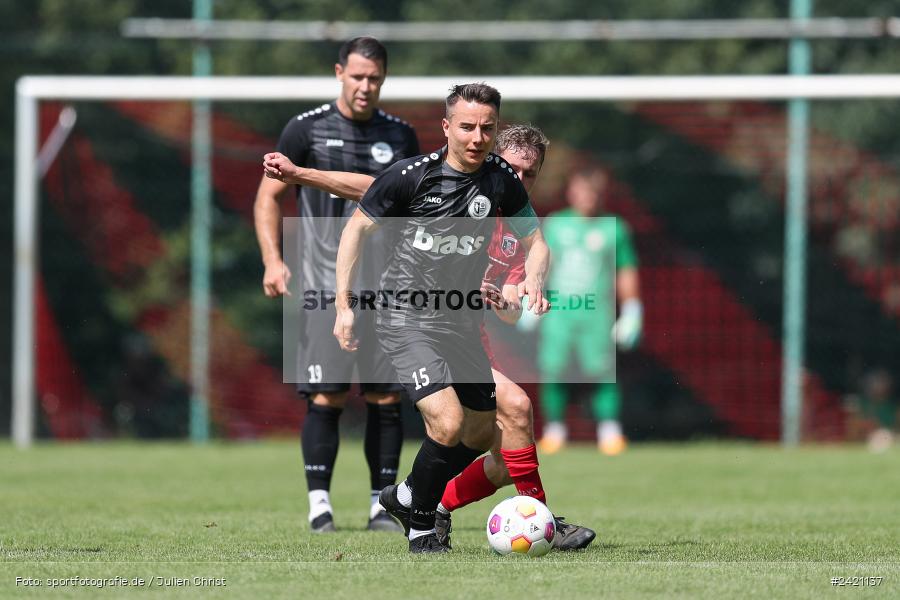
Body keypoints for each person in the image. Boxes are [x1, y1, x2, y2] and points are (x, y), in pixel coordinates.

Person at [263, 125, 596, 551]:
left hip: (467, 345)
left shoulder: (517, 231)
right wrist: (301, 174)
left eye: (529, 174)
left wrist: (515, 294)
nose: (518, 179)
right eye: (512, 167)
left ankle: (422, 502)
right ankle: (538, 520)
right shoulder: (455, 193)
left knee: (502, 453)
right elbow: (373, 188)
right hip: (415, 329)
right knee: (514, 408)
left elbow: (512, 312)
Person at [334, 83, 550, 553]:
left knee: (476, 431)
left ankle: (407, 494)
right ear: (447, 127)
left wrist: (534, 279)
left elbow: (535, 241)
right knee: (447, 423)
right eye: (468, 127)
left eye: (487, 128)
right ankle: (422, 527)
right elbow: (355, 230)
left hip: (459, 324)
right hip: (405, 319)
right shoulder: (412, 176)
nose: (477, 137)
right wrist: (343, 305)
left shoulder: (500, 181)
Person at [253, 37, 420, 534]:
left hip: (386, 288)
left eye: (374, 77)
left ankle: (380, 505)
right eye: (357, 76)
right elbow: (268, 198)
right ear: (339, 72)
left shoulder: (402, 135)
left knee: (386, 399)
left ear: (384, 78)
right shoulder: (304, 130)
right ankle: (319, 505)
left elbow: (404, 206)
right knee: (326, 396)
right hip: (323, 285)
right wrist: (272, 260)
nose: (365, 86)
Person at [535, 166, 643, 456]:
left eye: (592, 192)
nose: (587, 197)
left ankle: (609, 432)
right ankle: (554, 431)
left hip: (597, 313)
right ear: (571, 192)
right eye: (581, 190)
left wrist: (632, 308)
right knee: (553, 369)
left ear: (601, 194)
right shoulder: (556, 224)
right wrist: (531, 298)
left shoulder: (614, 227)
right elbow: (544, 263)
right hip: (559, 312)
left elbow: (626, 270)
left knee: (601, 372)